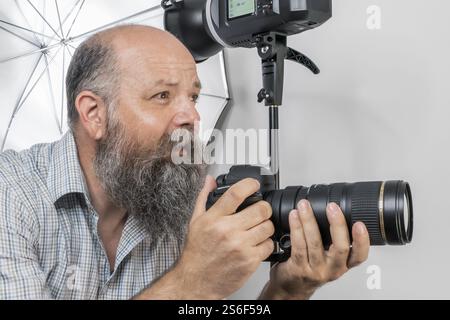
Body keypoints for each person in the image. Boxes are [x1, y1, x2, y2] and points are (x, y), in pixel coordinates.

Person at [0, 25, 370, 300]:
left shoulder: (181, 203)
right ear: (94, 114)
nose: (191, 116)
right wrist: (192, 280)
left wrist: (285, 291)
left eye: (192, 96)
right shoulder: (11, 194)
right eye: (162, 95)